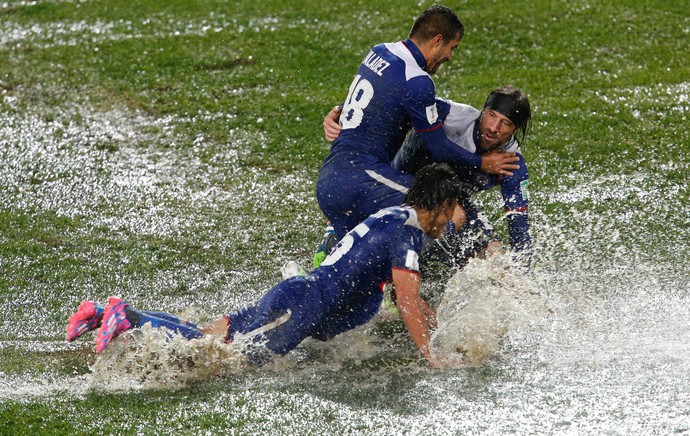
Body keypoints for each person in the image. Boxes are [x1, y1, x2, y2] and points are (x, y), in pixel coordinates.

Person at [66, 163, 466, 368]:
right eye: (451, 214)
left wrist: (438, 333)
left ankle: (102, 314)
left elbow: (407, 299)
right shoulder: (408, 237)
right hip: (300, 308)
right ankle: (128, 316)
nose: (449, 224)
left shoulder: (394, 216)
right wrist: (433, 358)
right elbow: (409, 303)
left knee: (207, 335)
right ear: (442, 205)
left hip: (298, 296)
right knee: (216, 356)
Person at [315, 5, 519, 256]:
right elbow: (438, 146)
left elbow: (372, 101)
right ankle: (416, 278)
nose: (450, 57)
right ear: (437, 41)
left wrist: (337, 110)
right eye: (451, 48)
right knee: (449, 210)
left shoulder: (379, 52)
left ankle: (322, 271)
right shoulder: (418, 81)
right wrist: (482, 163)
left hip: (330, 178)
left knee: (355, 263)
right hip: (361, 180)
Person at [323, 86, 533, 268]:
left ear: (516, 129)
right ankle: (354, 252)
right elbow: (393, 104)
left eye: (505, 123)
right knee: (453, 215)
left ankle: (409, 271)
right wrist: (341, 110)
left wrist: (521, 269)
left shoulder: (511, 163)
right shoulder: (451, 115)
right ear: (483, 111)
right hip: (395, 185)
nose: (493, 128)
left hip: (448, 203)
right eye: (491, 115)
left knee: (496, 259)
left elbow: (519, 227)